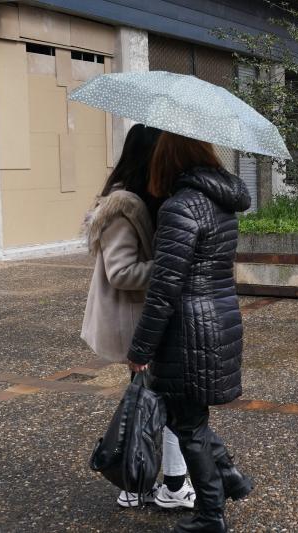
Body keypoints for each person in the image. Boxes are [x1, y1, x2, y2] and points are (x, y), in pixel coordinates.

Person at [127, 131, 254, 533]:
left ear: (169, 158)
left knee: (188, 427)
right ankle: (229, 477)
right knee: (190, 416)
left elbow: (165, 287)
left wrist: (141, 347)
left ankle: (211, 515)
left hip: (189, 328)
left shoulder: (180, 207)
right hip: (220, 318)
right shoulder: (222, 202)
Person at [81, 124, 196, 510]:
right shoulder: (121, 208)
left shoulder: (144, 201)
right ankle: (147, 484)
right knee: (155, 406)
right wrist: (170, 267)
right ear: (149, 155)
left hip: (146, 319)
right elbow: (121, 272)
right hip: (135, 322)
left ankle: (142, 483)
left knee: (152, 405)